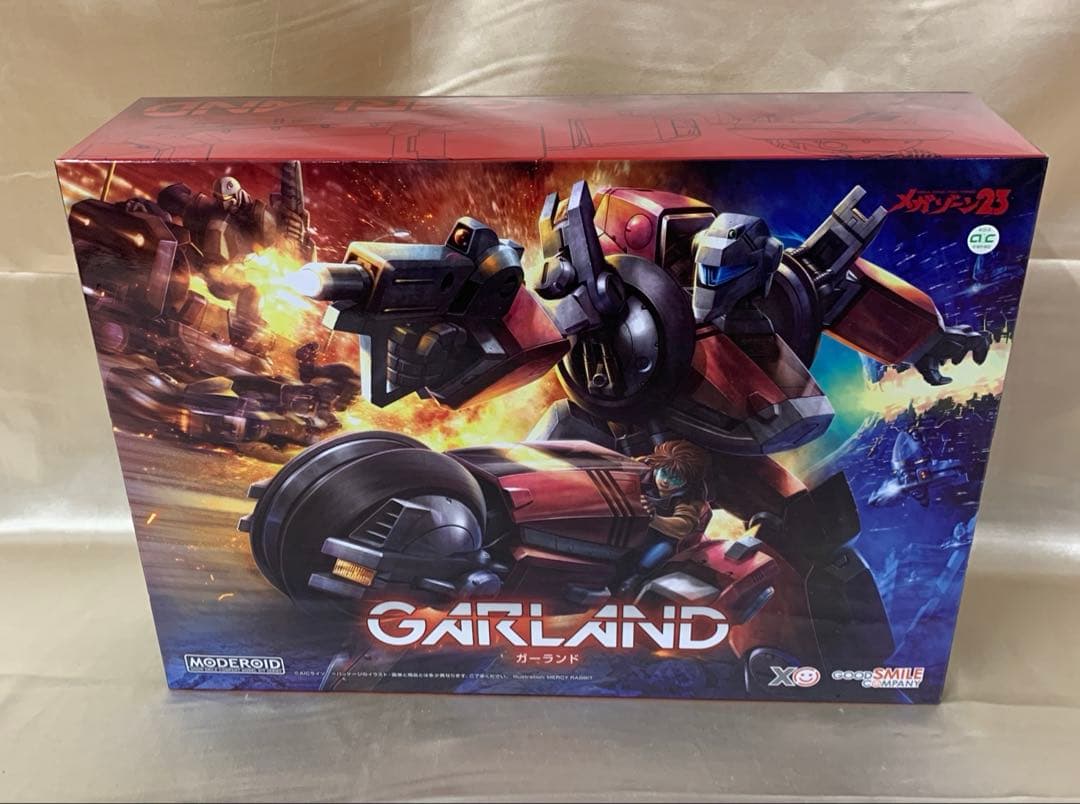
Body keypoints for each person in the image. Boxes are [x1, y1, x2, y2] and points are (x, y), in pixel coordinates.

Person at [619, 440, 712, 596]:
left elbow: (683, 525)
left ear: (688, 481)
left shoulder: (691, 496)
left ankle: (634, 579)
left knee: (658, 553)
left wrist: (652, 519)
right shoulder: (642, 466)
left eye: (676, 478)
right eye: (664, 472)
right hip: (629, 522)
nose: (666, 481)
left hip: (664, 535)